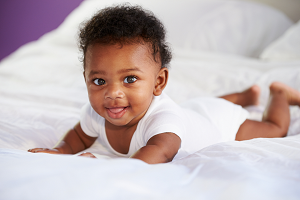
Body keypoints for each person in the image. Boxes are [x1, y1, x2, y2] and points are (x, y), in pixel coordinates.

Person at [28, 4, 300, 164]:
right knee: (203, 106)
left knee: (274, 129)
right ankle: (243, 95)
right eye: (99, 81)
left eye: (130, 79)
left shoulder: (164, 124)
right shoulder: (98, 113)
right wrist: (60, 150)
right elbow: (79, 136)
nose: (113, 93)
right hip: (194, 110)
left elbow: (157, 153)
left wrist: (102, 166)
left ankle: (279, 94)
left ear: (159, 82)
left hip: (219, 123)